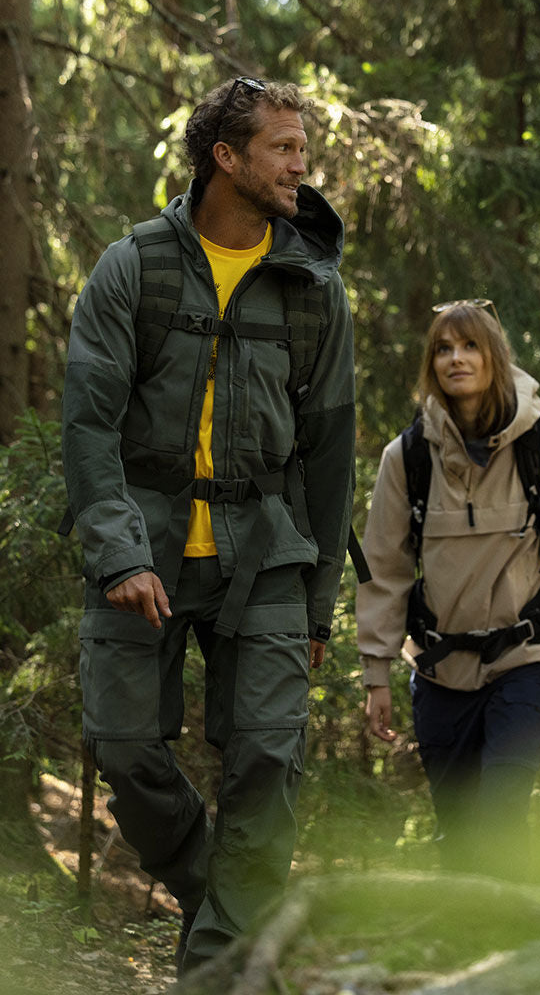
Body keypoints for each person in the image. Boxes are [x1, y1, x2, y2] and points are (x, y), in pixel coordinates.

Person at [60, 77, 355, 973]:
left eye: (302, 149)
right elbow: (89, 425)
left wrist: (317, 604)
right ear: (226, 158)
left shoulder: (313, 288)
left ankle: (219, 964)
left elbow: (330, 456)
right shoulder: (135, 266)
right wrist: (118, 553)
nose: (301, 167)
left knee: (267, 761)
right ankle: (221, 900)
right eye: (283, 149)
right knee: (125, 750)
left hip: (266, 554)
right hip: (142, 550)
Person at [356, 300, 540, 878]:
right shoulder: (406, 458)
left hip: (527, 661)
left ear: (494, 357)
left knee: (501, 811)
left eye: (469, 347)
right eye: (443, 348)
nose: (455, 359)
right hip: (441, 671)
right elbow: (383, 570)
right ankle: (470, 954)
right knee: (459, 833)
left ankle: (511, 951)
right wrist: (376, 673)